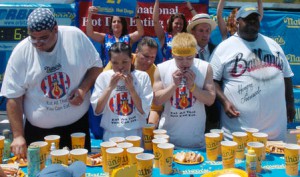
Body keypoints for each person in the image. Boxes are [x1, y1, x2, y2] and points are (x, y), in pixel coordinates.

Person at [0, 8, 103, 157]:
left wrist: (82, 89)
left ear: (56, 29)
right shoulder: (21, 51)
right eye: (33, 38)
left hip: (76, 129)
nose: (38, 43)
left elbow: (96, 66)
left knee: (79, 169)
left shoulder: (75, 37)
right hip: (38, 133)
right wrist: (18, 136)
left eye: (43, 37)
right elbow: (13, 97)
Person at [210, 5, 295, 141]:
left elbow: (286, 76)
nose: (252, 22)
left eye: (255, 19)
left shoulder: (273, 45)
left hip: (275, 133)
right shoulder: (224, 48)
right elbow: (211, 80)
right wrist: (224, 101)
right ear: (238, 22)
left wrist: (290, 102)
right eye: (248, 19)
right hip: (238, 133)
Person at [153, 33, 215, 149]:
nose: (185, 62)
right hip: (167, 141)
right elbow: (157, 101)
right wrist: (173, 86)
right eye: (180, 58)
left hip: (196, 141)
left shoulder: (205, 67)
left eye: (189, 58)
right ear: (173, 54)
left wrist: (193, 87)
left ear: (195, 53)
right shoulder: (161, 68)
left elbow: (210, 100)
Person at [90, 42, 153, 141]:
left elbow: (144, 111)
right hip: (111, 135)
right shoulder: (103, 77)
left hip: (136, 134)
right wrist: (110, 87)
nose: (120, 67)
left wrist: (132, 89)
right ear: (110, 61)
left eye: (124, 62)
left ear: (132, 60)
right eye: (115, 63)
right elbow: (97, 110)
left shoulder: (142, 77)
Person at [103, 37, 164, 127]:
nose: (149, 61)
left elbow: (154, 108)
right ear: (137, 51)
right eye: (146, 56)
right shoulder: (120, 59)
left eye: (153, 57)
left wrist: (150, 128)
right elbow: (103, 84)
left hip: (138, 122)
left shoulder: (155, 72)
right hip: (115, 118)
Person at [187, 13, 220, 132]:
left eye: (207, 30)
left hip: (212, 109)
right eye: (201, 30)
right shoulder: (185, 52)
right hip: (189, 107)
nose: (205, 34)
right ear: (192, 32)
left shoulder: (218, 50)